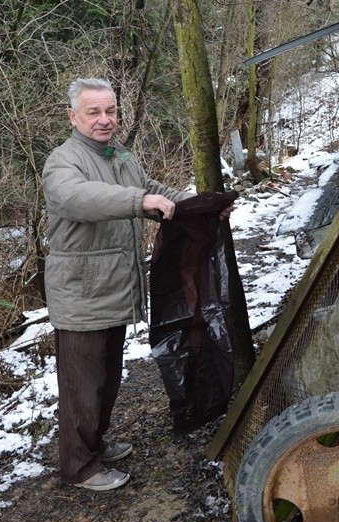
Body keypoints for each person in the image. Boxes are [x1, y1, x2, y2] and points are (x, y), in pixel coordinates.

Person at [42, 77, 230, 491]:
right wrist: (137, 202)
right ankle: (78, 466)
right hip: (80, 293)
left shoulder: (119, 157)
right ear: (73, 116)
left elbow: (149, 190)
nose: (105, 120)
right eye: (94, 112)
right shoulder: (63, 162)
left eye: (110, 111)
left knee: (107, 378)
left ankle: (96, 444)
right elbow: (79, 198)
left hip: (113, 288)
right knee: (81, 387)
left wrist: (193, 204)